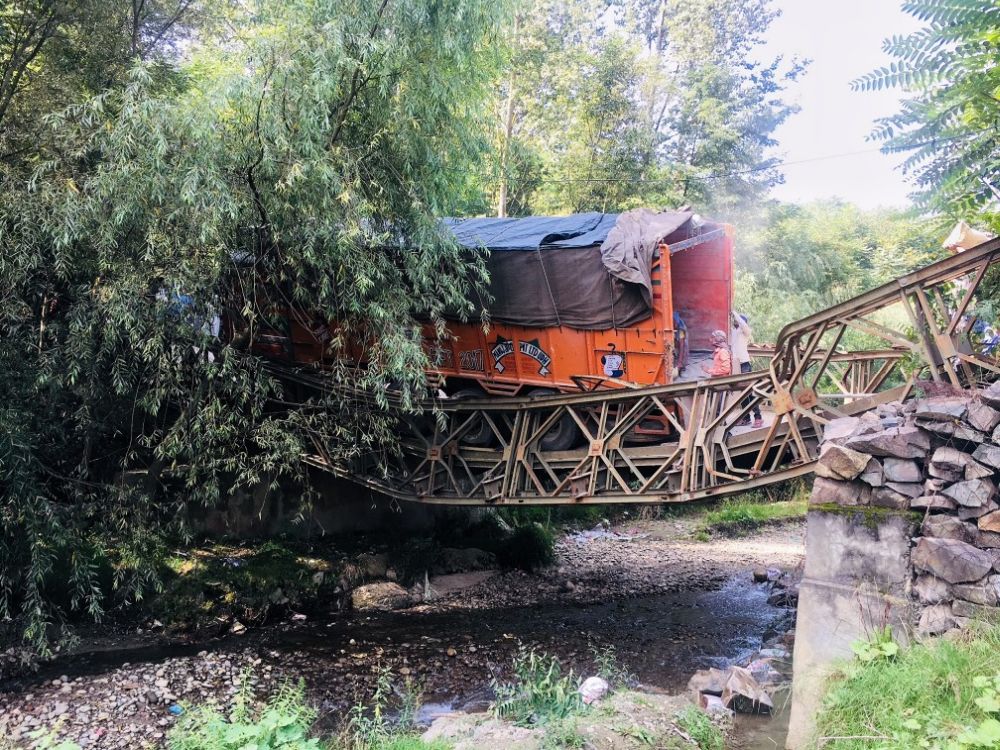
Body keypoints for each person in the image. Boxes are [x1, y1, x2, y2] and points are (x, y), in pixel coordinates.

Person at [732, 312, 763, 428]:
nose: (735, 321)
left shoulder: (745, 332)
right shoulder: (733, 332)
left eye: (737, 320)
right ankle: (746, 418)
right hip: (736, 365)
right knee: (742, 393)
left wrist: (735, 313)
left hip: (744, 364)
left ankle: (758, 417)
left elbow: (743, 324)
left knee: (749, 391)